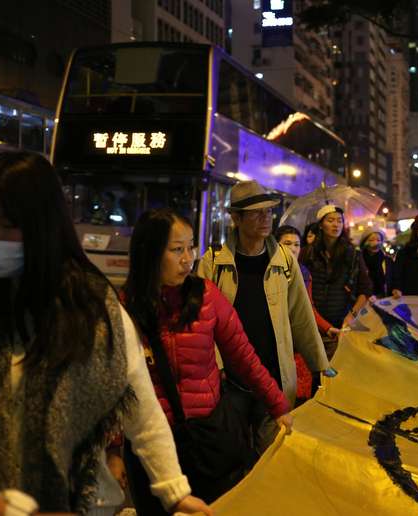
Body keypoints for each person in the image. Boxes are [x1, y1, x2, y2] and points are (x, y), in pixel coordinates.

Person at [0, 152, 210, 515]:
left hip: (78, 505)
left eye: (7, 225)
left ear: (42, 225)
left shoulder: (93, 311)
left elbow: (140, 404)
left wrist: (174, 490)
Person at [121, 209, 292, 508]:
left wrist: (279, 407)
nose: (188, 258)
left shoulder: (207, 297)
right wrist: (112, 450)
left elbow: (243, 356)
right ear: (149, 252)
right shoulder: (123, 307)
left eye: (190, 247)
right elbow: (114, 386)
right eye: (176, 250)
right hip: (151, 445)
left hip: (209, 439)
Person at [199, 181, 329, 453]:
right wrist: (219, 367)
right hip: (230, 383)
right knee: (232, 457)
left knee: (269, 458)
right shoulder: (213, 263)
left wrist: (321, 365)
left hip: (274, 380)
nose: (265, 219)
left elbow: (302, 318)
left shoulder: (284, 261)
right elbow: (202, 324)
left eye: (268, 212)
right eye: (256, 213)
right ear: (236, 218)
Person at [301, 204, 373, 359]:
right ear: (321, 225)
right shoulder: (308, 253)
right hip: (312, 324)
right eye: (330, 220)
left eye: (339, 221)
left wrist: (351, 315)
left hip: (342, 324)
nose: (336, 224)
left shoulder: (352, 253)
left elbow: (365, 289)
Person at [275, 225, 338, 400]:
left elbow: (308, 309)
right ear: (275, 245)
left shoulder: (303, 273)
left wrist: (327, 328)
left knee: (297, 397)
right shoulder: (268, 271)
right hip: (274, 343)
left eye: (296, 244)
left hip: (297, 344)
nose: (293, 248)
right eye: (287, 243)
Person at [359, 229, 393, 298]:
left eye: (378, 240)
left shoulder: (387, 260)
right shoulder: (358, 259)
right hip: (362, 298)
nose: (376, 243)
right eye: (371, 240)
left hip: (382, 297)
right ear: (364, 242)